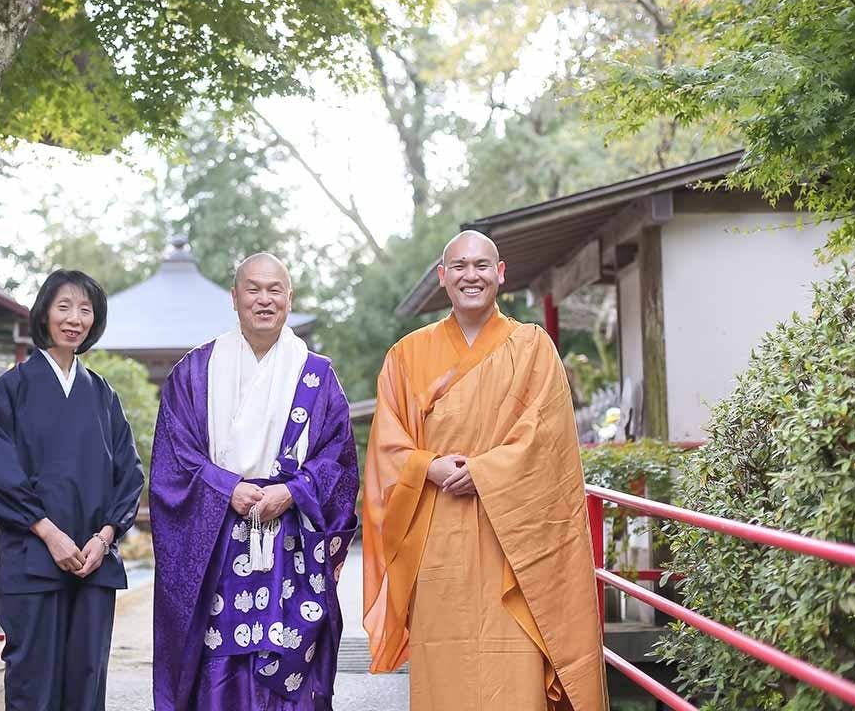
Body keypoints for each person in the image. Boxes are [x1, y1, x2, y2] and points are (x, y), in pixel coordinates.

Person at [361, 231, 608, 711]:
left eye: (480, 265)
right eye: (458, 266)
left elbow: (548, 439)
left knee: (514, 665)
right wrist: (428, 466)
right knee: (445, 664)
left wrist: (486, 470)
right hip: (437, 540)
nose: (469, 275)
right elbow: (386, 447)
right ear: (442, 277)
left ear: (500, 274)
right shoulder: (406, 355)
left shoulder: (533, 347)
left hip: (512, 540)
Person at [150, 253, 359, 711]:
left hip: (291, 539)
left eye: (275, 290)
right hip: (219, 537)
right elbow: (175, 456)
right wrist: (226, 488)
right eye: (253, 289)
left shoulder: (317, 375)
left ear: (289, 297)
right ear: (234, 297)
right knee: (218, 656)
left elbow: (338, 458)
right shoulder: (195, 371)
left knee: (289, 653)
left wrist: (294, 491)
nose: (264, 300)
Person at [0, 269, 145, 711]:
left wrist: (104, 538)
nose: (75, 318)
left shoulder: (103, 395)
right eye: (64, 306)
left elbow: (129, 474)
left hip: (93, 562)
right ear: (44, 313)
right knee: (33, 685)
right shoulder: (12, 388)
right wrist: (50, 533)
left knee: (87, 683)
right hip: (31, 561)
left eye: (85, 309)